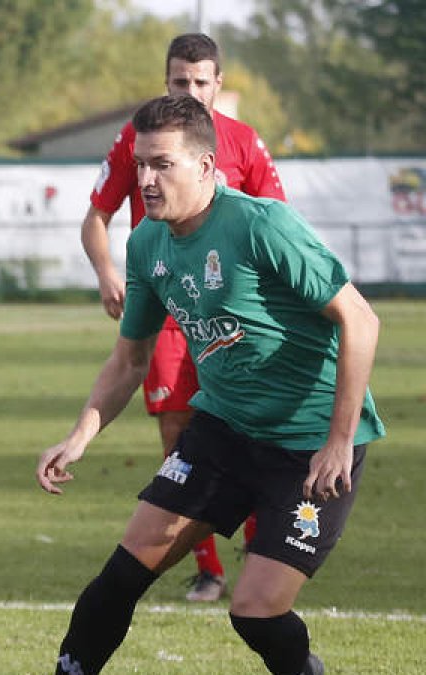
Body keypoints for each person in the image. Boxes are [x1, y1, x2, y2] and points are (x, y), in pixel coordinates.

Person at [38, 94, 384, 675]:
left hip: (308, 445)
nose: (144, 179)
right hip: (223, 431)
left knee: (255, 613)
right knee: (121, 575)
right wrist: (80, 435)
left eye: (161, 164)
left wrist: (337, 440)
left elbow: (361, 319)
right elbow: (130, 359)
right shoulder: (147, 243)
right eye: (140, 164)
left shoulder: (261, 225)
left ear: (204, 166)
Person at [80, 33, 286, 601]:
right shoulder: (136, 139)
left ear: (218, 83)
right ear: (166, 80)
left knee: (247, 426)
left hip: (232, 318)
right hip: (169, 306)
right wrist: (107, 273)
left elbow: (278, 222)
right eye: (179, 81)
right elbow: (95, 218)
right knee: (177, 430)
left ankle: (259, 553)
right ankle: (208, 566)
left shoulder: (244, 143)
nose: (191, 91)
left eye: (200, 81)